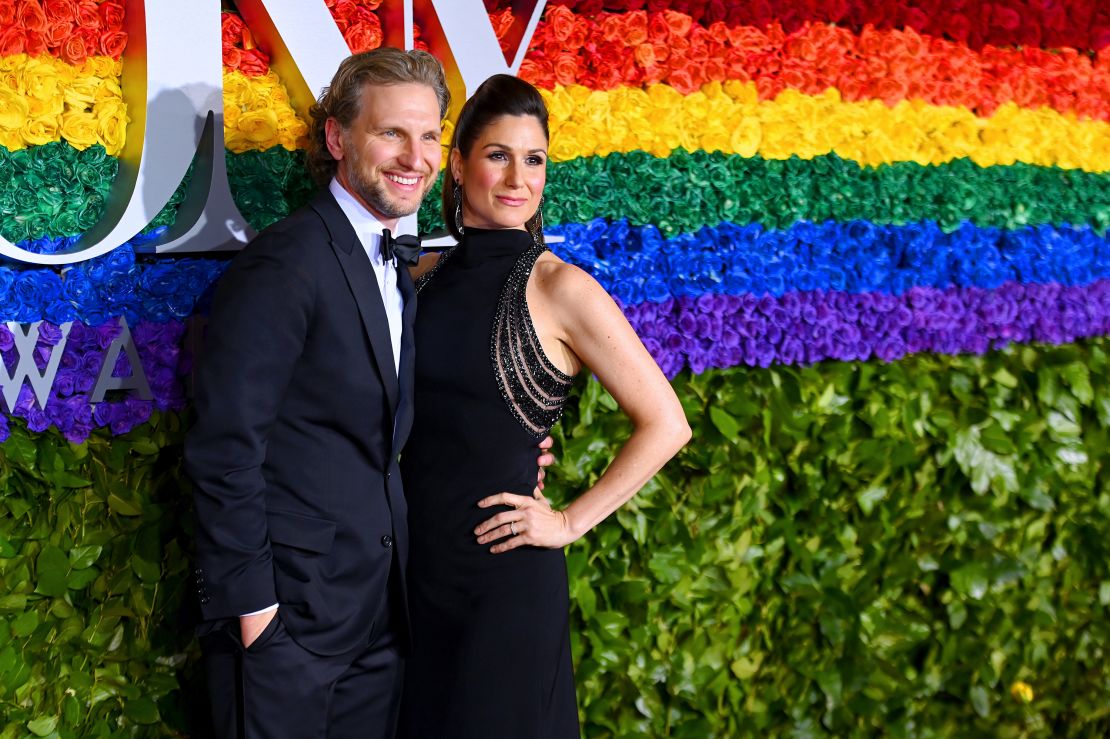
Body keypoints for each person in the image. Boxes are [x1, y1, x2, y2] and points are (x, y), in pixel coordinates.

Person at [397, 74, 691, 738]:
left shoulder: (562, 286)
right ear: (458, 163)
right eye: (498, 153)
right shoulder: (423, 277)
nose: (517, 176)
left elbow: (667, 422)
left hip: (503, 588)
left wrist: (567, 520)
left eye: (534, 159)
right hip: (416, 580)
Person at [184, 49, 451, 738]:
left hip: (377, 618)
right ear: (337, 138)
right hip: (289, 632)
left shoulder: (396, 259)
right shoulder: (286, 262)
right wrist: (256, 617)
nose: (414, 156)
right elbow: (224, 447)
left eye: (428, 136)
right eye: (392, 132)